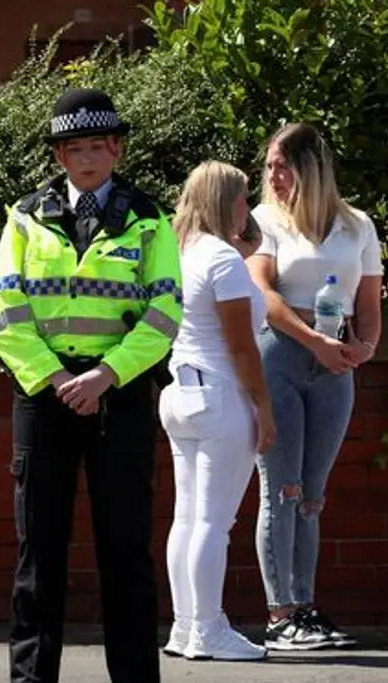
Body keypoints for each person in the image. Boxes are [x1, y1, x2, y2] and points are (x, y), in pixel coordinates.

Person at [0, 88, 183, 683]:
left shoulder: (149, 219)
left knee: (125, 552)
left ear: (116, 149)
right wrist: (55, 377)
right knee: (37, 556)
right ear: (59, 156)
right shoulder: (25, 215)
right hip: (44, 397)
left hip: (116, 396)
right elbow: (2, 310)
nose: (86, 158)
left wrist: (105, 374)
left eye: (97, 145)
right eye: (73, 148)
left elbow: (165, 312)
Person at [246, 122, 384, 650]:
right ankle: (280, 613)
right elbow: (263, 294)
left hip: (335, 363)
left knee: (313, 494)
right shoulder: (264, 221)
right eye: (270, 166)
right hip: (281, 353)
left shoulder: (358, 227)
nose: (274, 176)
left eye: (284, 165)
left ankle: (304, 604)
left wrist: (363, 348)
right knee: (281, 488)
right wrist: (314, 341)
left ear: (312, 168)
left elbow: (369, 308)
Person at [160, 161, 276, 661]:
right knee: (212, 522)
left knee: (187, 518)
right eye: (243, 198)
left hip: (181, 392)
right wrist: (264, 407)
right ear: (226, 201)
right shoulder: (222, 261)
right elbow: (242, 347)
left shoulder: (178, 251)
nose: (247, 208)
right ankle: (208, 628)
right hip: (221, 394)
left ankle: (186, 626)